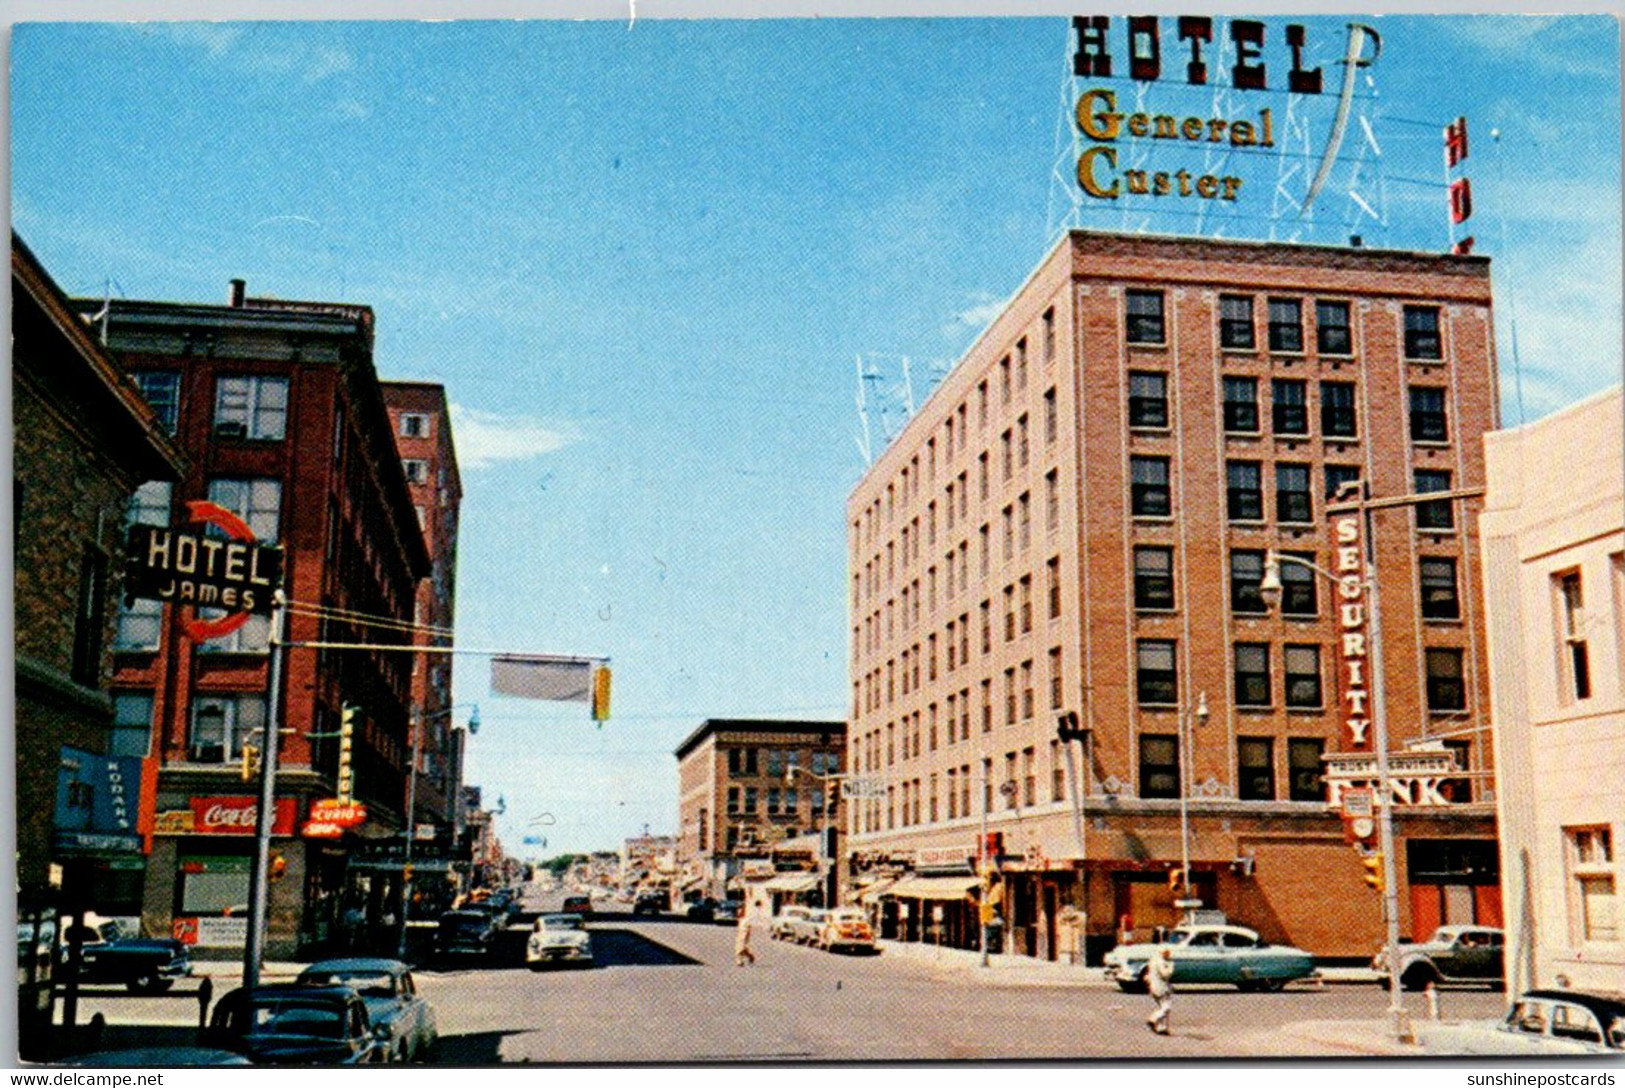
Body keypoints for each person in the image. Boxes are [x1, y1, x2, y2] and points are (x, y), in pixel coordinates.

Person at [1146, 945, 1176, 1035]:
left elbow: (1148, 976)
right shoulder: (1162, 962)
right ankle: (1153, 1019)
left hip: (1154, 986)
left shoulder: (1153, 961)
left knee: (1161, 1007)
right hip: (1162, 987)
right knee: (1166, 1007)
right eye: (1167, 953)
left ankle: (1161, 1027)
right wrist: (1171, 967)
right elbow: (1165, 974)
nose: (1169, 955)